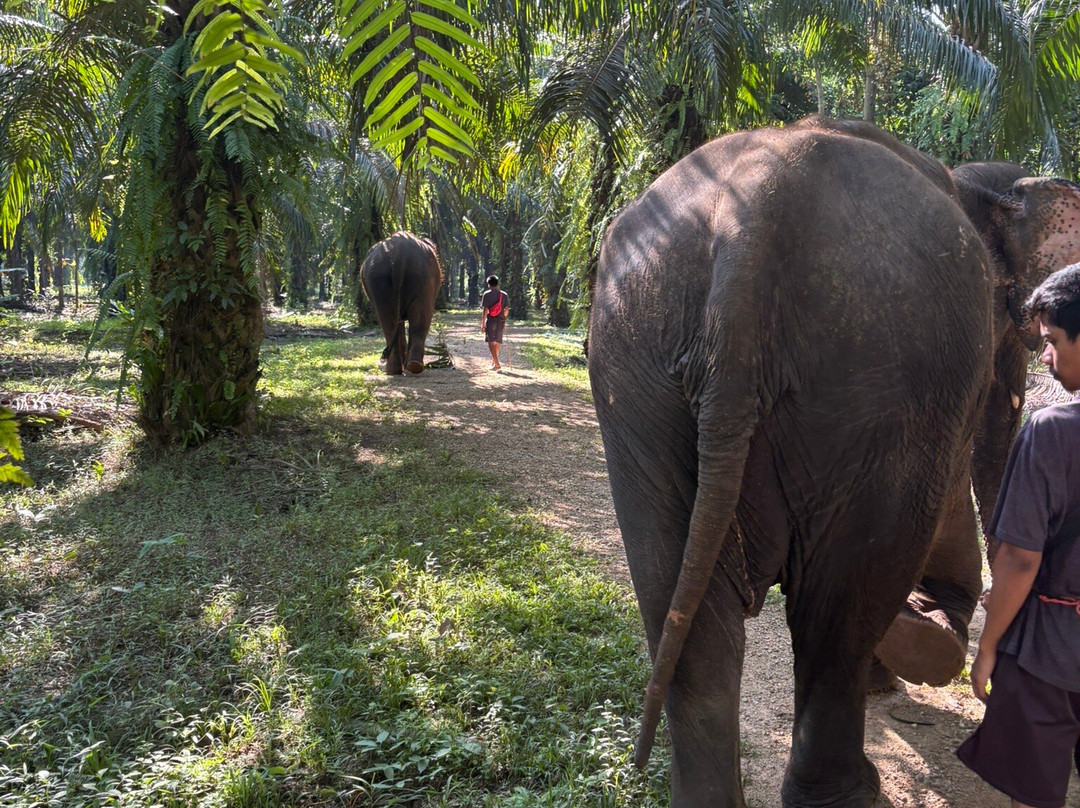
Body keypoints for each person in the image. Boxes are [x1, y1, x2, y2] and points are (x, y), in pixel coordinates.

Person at [957, 263, 1080, 808]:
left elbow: (1020, 560)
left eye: (1052, 341)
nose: (1046, 357)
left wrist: (986, 647)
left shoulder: (1051, 433)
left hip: (1049, 653)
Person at [480, 274, 509, 370]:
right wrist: (504, 319)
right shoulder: (504, 295)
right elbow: (506, 310)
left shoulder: (487, 294)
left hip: (491, 320)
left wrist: (483, 323)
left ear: (489, 284)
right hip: (501, 321)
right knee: (497, 341)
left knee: (491, 341)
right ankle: (494, 361)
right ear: (497, 283)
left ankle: (496, 363)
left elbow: (485, 310)